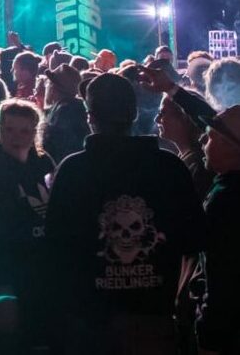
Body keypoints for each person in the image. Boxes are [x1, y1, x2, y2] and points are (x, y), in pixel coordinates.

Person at [45, 73, 206, 355]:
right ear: (134, 113)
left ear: (90, 117)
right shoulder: (169, 167)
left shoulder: (73, 171)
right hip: (154, 318)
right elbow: (194, 242)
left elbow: (56, 246)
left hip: (91, 322)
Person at [0, 99, 57, 354]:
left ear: (34, 132)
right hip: (8, 270)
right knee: (11, 340)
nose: (16, 137)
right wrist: (3, 287)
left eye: (24, 131)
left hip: (43, 270)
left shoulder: (43, 163)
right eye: (9, 130)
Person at [194, 105, 240, 354]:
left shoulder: (225, 199)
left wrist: (210, 331)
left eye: (211, 136)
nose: (202, 140)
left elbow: (222, 274)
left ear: (231, 147)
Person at [42, 63, 89, 164]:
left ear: (53, 87)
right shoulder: (79, 106)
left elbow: (60, 149)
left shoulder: (63, 112)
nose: (46, 86)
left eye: (48, 83)